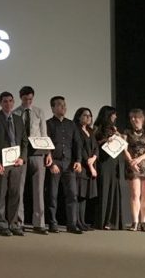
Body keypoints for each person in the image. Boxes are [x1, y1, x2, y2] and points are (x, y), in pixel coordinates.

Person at [12, 85, 51, 234]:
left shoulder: (39, 112)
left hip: (38, 153)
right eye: (25, 99)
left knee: (39, 190)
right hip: (21, 154)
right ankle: (19, 221)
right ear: (20, 98)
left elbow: (44, 134)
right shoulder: (15, 113)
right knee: (19, 189)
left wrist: (48, 153)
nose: (28, 101)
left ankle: (39, 223)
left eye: (30, 99)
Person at [0, 92, 29, 237]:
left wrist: (22, 158)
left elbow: (24, 141)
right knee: (2, 194)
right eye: (5, 101)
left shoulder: (18, 119)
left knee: (15, 194)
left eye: (10, 101)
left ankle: (14, 224)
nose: (8, 104)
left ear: (14, 102)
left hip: (16, 162)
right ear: (0, 103)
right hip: (2, 162)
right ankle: (2, 224)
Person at [45, 96, 83, 234]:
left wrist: (78, 160)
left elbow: (77, 143)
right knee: (52, 195)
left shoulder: (71, 124)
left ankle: (72, 224)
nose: (63, 107)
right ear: (53, 108)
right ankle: (52, 223)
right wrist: (51, 164)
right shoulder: (48, 124)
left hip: (69, 164)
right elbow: (46, 144)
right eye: (60, 105)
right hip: (54, 163)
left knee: (72, 194)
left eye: (64, 105)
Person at [123, 109, 145, 232]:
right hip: (133, 165)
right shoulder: (126, 132)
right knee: (135, 194)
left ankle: (144, 221)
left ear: (142, 119)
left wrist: (139, 159)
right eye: (131, 117)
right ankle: (135, 222)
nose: (133, 119)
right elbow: (124, 149)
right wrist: (131, 161)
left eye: (135, 117)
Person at [94, 105, 124, 230]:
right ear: (108, 115)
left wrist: (119, 136)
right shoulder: (98, 127)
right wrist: (107, 140)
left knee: (113, 189)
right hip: (104, 161)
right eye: (114, 114)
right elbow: (95, 143)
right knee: (104, 189)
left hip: (114, 160)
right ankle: (102, 221)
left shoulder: (113, 128)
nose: (115, 116)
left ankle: (112, 221)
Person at [72, 107, 98, 231]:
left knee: (84, 196)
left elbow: (96, 147)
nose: (88, 117)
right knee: (78, 195)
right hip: (81, 166)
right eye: (85, 115)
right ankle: (76, 222)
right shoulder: (76, 130)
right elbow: (80, 149)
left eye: (90, 115)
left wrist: (94, 158)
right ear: (79, 117)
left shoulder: (90, 131)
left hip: (90, 165)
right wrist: (90, 165)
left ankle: (82, 221)